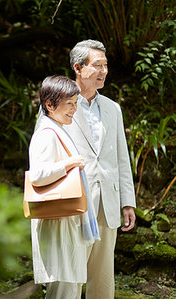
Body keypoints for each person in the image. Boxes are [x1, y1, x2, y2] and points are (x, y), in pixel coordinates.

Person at [64, 39, 137, 299]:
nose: (104, 71)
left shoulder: (112, 109)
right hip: (73, 204)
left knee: (103, 281)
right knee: (68, 279)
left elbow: (121, 159)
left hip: (108, 204)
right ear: (78, 67)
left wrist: (127, 202)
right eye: (97, 65)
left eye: (105, 65)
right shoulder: (57, 103)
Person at [29, 75, 99, 298]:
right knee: (63, 290)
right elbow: (38, 176)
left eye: (75, 104)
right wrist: (69, 163)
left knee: (70, 288)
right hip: (58, 225)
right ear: (49, 105)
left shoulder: (57, 128)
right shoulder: (46, 134)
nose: (74, 110)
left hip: (65, 222)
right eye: (69, 104)